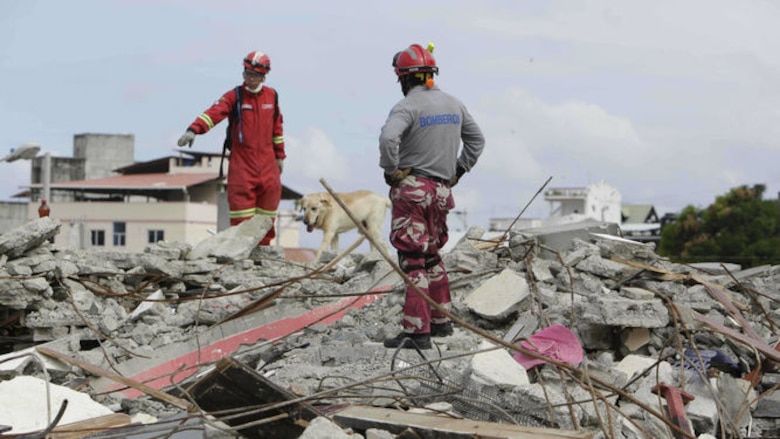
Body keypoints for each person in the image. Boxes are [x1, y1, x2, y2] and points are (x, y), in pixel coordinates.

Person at [378, 43, 485, 349]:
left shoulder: (407, 106)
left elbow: (388, 138)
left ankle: (417, 332)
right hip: (441, 192)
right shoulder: (454, 103)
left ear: (404, 78)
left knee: (413, 258)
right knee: (432, 255)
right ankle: (441, 322)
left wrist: (391, 170)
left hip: (412, 190)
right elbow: (477, 140)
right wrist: (459, 169)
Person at [177, 50, 286, 245]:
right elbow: (214, 113)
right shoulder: (235, 96)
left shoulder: (272, 97)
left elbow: (277, 128)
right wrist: (193, 129)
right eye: (246, 73)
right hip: (243, 163)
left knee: (268, 208)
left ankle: (264, 251)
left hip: (268, 163)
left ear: (263, 76)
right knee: (241, 209)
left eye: (254, 75)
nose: (249, 79)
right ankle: (240, 249)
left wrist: (280, 157)